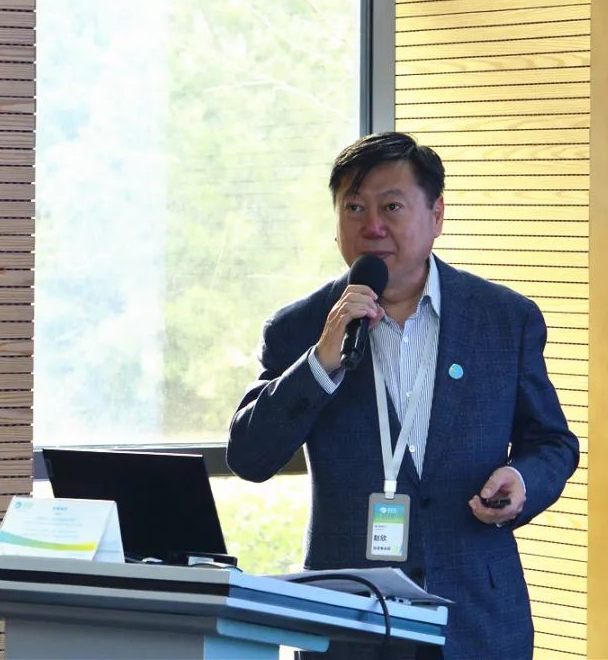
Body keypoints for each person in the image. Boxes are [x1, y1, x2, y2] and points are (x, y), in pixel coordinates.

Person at [228, 132, 579, 660]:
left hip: (475, 619)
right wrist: (320, 361)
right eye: (354, 208)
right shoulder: (300, 327)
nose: (372, 226)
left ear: (436, 215)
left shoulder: (504, 319)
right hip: (348, 619)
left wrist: (523, 480)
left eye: (391, 206)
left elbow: (552, 442)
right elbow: (250, 457)